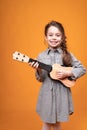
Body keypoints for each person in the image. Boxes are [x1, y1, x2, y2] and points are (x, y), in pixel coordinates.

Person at [29, 20, 86, 130]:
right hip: (47, 94)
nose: (54, 38)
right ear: (46, 37)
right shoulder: (40, 56)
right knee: (46, 123)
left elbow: (82, 69)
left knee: (57, 124)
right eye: (50, 35)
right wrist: (38, 70)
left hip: (62, 94)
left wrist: (68, 72)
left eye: (57, 35)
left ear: (62, 37)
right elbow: (41, 79)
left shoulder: (67, 55)